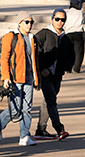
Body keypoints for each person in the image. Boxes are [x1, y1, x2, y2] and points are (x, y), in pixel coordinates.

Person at [0, 11, 40, 147]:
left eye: (31, 22)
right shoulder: (11, 36)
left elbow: (34, 60)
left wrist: (37, 79)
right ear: (20, 23)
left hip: (28, 78)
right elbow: (4, 58)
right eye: (26, 22)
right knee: (15, 109)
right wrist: (6, 77)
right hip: (15, 78)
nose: (29, 25)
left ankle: (24, 136)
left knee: (27, 108)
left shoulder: (33, 38)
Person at [34, 8, 75, 140]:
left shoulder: (66, 38)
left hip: (57, 75)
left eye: (62, 20)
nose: (59, 22)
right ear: (52, 19)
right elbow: (35, 52)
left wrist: (66, 67)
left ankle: (40, 130)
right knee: (51, 100)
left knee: (47, 101)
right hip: (45, 74)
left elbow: (71, 55)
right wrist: (41, 69)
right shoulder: (43, 34)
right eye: (57, 19)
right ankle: (59, 128)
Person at [65, 1, 85, 73]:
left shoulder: (67, 13)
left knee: (69, 52)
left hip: (69, 33)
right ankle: (76, 68)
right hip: (78, 32)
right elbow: (83, 20)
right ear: (77, 5)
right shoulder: (81, 12)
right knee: (78, 52)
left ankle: (68, 68)